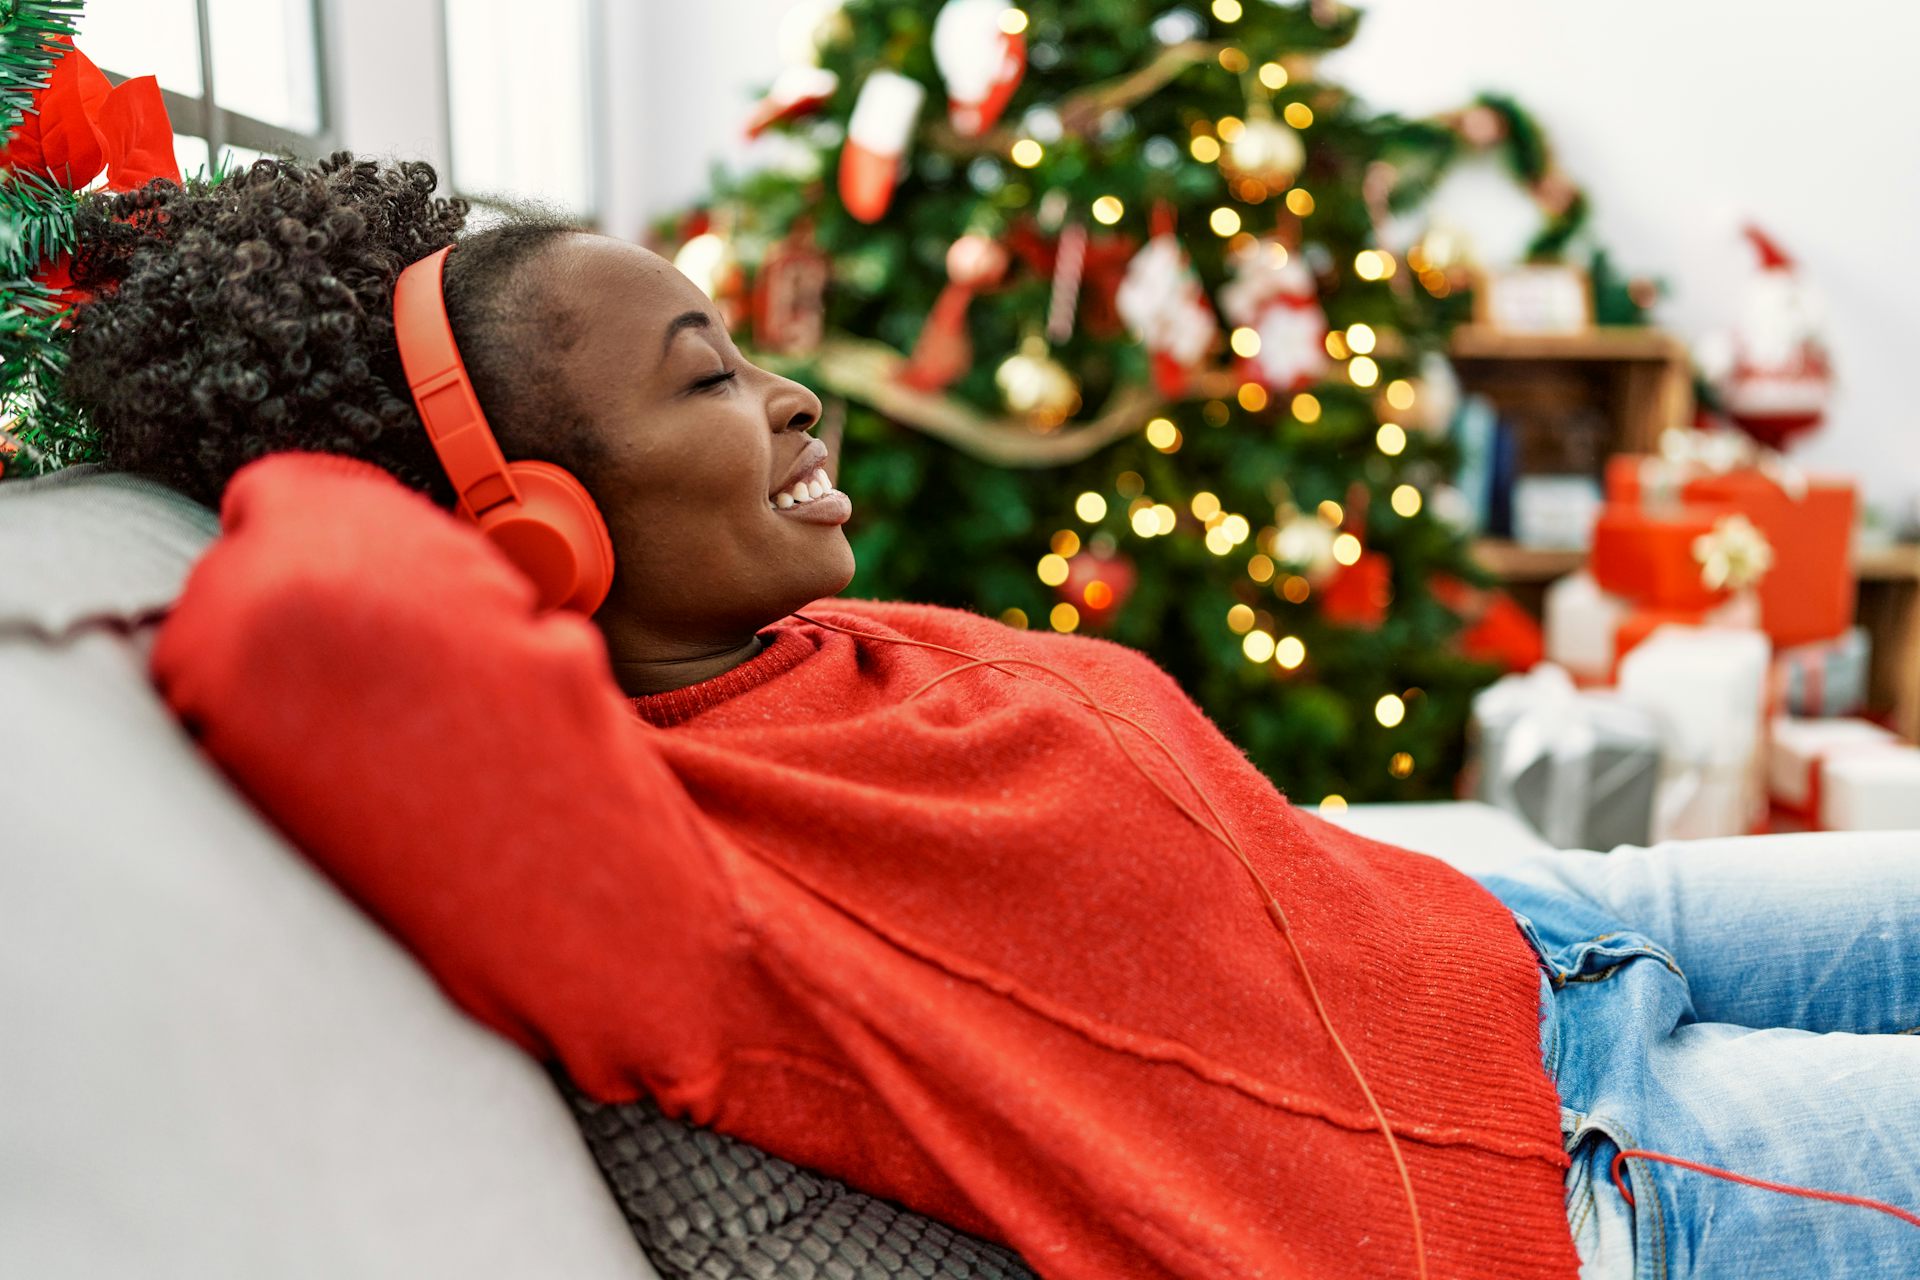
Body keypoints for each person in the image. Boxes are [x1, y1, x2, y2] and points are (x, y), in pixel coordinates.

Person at [60, 153, 1920, 1279]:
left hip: (1541, 949)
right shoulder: (674, 868)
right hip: (1579, 1166)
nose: (792, 400)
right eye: (708, 375)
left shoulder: (808, 656)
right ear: (534, 526)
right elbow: (305, 609)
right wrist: (405, 491)